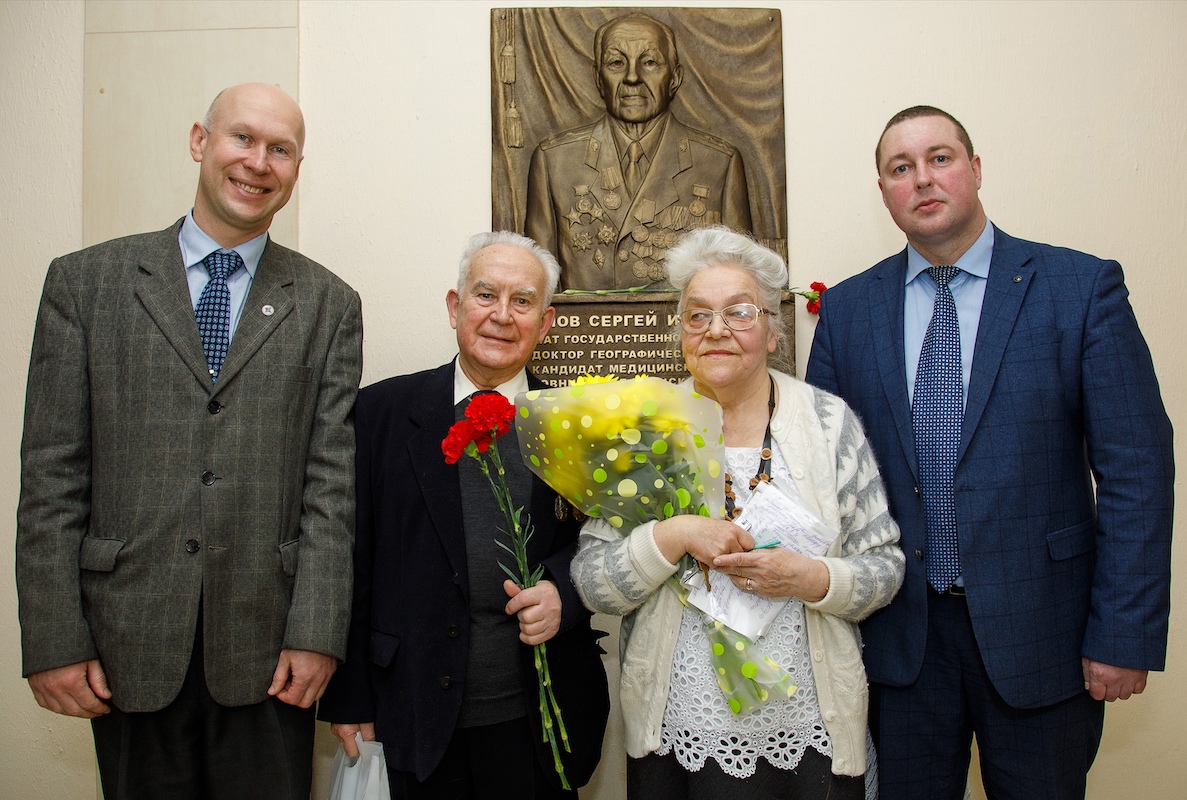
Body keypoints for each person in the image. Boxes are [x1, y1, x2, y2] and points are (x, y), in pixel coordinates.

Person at [805, 105, 1174, 799]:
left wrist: (1122, 634)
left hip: (1045, 638)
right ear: (883, 191)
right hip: (899, 645)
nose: (922, 179)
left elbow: (1137, 471)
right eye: (900, 167)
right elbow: (819, 477)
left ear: (974, 170)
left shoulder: (1078, 289)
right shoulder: (849, 311)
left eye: (939, 158)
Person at [15, 83, 363, 799]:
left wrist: (317, 633)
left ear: (297, 169)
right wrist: (54, 639)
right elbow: (51, 476)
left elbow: (329, 487)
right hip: (125, 640)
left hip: (270, 650)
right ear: (200, 141)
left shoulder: (329, 304)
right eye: (242, 138)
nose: (258, 162)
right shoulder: (85, 285)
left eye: (280, 149)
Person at [570, 226, 905, 799]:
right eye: (697, 315)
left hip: (808, 732)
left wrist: (812, 578)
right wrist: (672, 536)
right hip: (677, 734)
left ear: (773, 331)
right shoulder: (644, 432)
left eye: (739, 312)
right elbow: (593, 584)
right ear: (680, 332)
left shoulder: (828, 425)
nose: (716, 329)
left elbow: (884, 567)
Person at [318, 231, 609, 799]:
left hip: (537, 721)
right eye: (485, 295)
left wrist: (565, 593)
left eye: (522, 301)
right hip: (409, 712)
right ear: (455, 307)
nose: (502, 315)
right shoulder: (379, 414)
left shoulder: (577, 426)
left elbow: (604, 545)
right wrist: (350, 695)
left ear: (545, 323)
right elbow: (349, 558)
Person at [526, 12, 752, 291]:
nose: (632, 77)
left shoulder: (720, 164)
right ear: (598, 78)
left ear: (674, 78)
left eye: (650, 62)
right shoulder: (554, 161)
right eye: (616, 62)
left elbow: (739, 284)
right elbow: (536, 287)